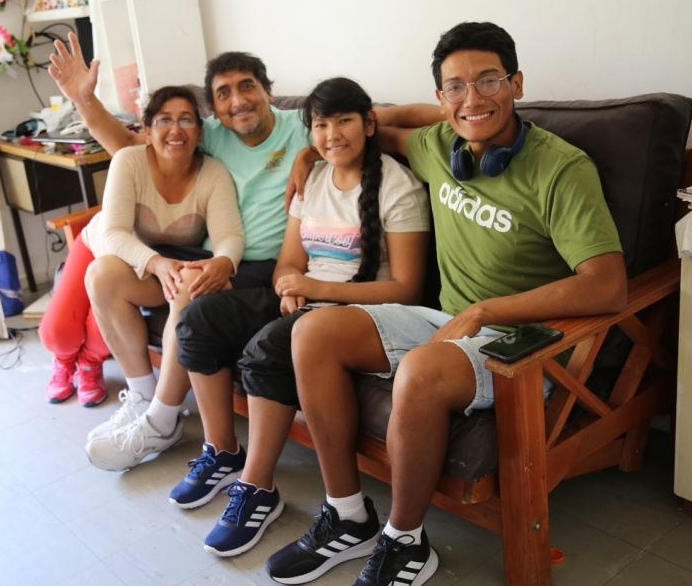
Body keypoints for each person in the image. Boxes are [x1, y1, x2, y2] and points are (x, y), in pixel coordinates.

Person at [266, 21, 628, 586]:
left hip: (528, 341)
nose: (472, 98)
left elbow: (607, 285)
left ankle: (405, 542)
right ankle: (348, 514)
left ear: (517, 83)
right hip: (444, 320)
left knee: (421, 370)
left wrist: (486, 311)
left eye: (489, 80)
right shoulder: (437, 146)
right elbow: (370, 122)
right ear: (440, 98)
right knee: (310, 333)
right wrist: (307, 155)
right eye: (455, 87)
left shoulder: (562, 168)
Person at [47, 32, 444, 468]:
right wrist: (85, 100)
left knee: (192, 291)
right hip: (219, 258)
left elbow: (389, 120)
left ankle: (163, 420)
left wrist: (457, 109)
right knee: (104, 275)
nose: (238, 101)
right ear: (213, 110)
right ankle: (142, 399)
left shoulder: (307, 124)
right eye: (223, 93)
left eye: (247, 86)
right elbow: (135, 147)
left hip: (265, 265)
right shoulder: (210, 135)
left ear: (268, 92)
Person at [170, 77, 430, 558]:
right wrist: (289, 289)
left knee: (267, 348)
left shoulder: (398, 186)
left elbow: (407, 288)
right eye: (320, 125)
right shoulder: (312, 178)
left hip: (358, 312)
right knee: (199, 317)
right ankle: (222, 451)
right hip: (306, 301)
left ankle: (256, 487)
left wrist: (314, 290)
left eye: (344, 121)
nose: (332, 135)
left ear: (369, 124)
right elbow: (289, 262)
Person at [38, 85, 243, 419]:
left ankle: (91, 365)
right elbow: (113, 232)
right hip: (104, 245)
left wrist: (224, 261)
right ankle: (64, 361)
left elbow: (229, 234)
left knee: (99, 336)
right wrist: (155, 263)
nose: (175, 129)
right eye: (164, 120)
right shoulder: (129, 160)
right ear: (147, 130)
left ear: (200, 133)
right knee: (57, 335)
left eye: (186, 120)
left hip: (151, 264)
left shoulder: (213, 173)